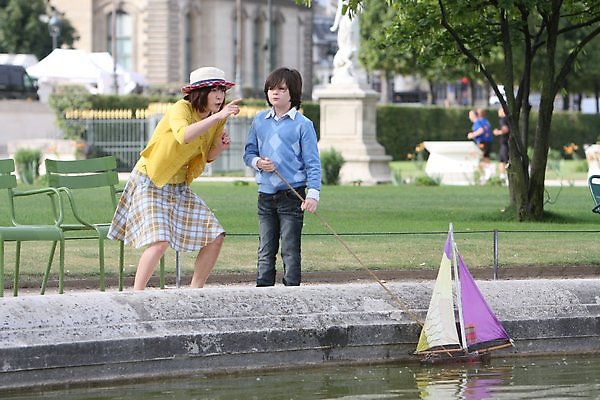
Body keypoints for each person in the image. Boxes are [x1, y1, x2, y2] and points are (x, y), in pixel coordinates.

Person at [108, 67, 241, 290]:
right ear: (200, 92)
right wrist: (219, 116)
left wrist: (220, 147)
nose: (220, 96)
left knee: (215, 236)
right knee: (160, 243)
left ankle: (194, 293)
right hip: (151, 180)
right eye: (214, 90)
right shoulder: (181, 108)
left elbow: (206, 156)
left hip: (178, 186)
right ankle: (136, 295)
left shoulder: (216, 119)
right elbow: (184, 135)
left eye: (222, 90)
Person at [243, 67, 322, 287]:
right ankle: (263, 290)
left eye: (281, 89)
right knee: (265, 248)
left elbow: (313, 163)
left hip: (293, 195)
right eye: (270, 88)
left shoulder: (303, 125)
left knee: (290, 249)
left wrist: (313, 195)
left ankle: (292, 291)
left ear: (292, 93)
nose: (274, 93)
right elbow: (248, 153)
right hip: (265, 195)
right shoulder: (259, 121)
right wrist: (258, 163)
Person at [467, 108, 493, 179]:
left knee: (478, 159)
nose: (469, 117)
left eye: (470, 115)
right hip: (488, 142)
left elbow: (481, 130)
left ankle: (484, 174)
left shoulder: (478, 122)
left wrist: (472, 135)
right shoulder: (486, 121)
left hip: (481, 142)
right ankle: (487, 174)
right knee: (486, 158)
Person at [493, 106, 510, 182]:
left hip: (505, 143)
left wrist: (498, 132)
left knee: (506, 160)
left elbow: (505, 130)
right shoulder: (508, 119)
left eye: (499, 110)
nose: (498, 112)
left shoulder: (503, 120)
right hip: (506, 142)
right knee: (501, 159)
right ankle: (502, 176)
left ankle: (509, 176)